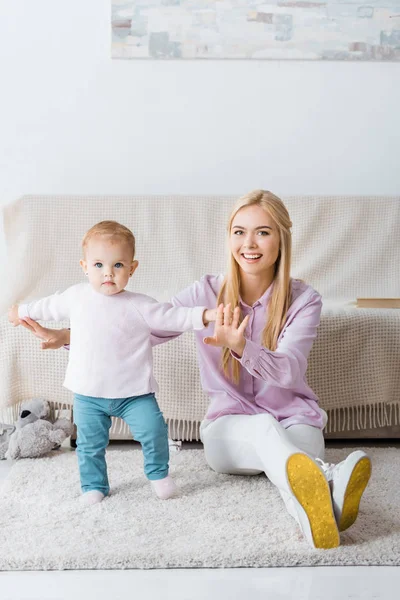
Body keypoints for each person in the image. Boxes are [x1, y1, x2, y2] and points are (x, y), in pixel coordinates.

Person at [18, 192, 371, 549]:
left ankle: (318, 519)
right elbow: (140, 326)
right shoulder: (205, 292)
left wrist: (241, 346)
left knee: (288, 465)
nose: (248, 243)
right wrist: (66, 335)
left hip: (296, 420)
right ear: (229, 237)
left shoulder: (304, 300)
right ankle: (328, 478)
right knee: (270, 436)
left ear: (282, 238)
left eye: (263, 232)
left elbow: (290, 373)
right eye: (239, 231)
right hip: (227, 428)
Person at [9, 220, 216, 506]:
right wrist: (22, 311)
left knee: (154, 431)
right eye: (98, 265)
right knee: (89, 445)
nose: (108, 273)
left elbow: (174, 316)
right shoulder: (77, 296)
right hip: (89, 394)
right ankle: (94, 485)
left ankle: (158, 474)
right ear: (84, 266)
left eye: (118, 265)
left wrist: (206, 315)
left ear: (132, 268)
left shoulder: (140, 304)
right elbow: (48, 305)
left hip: (135, 394)